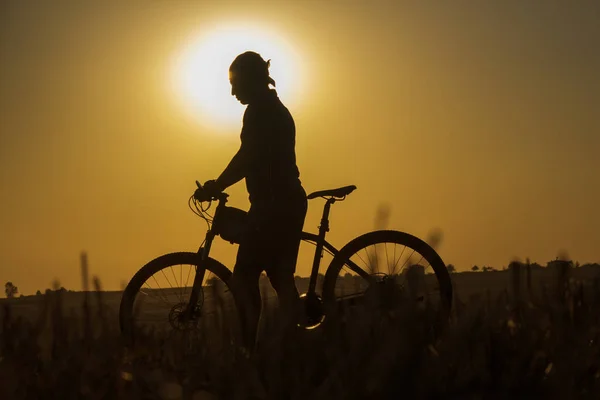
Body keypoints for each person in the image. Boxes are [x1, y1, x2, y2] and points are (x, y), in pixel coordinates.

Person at [201, 51, 307, 352]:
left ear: (250, 79)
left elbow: (248, 157)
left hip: (274, 205)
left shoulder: (261, 110)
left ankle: (249, 351)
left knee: (245, 276)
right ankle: (299, 344)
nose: (233, 92)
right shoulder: (270, 107)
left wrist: (217, 185)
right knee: (279, 277)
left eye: (236, 84)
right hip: (284, 201)